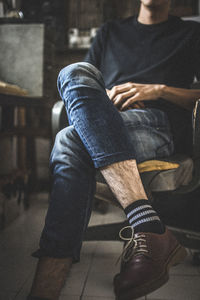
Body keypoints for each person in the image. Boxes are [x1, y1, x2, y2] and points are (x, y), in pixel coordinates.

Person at [27, 0, 200, 299]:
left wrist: (156, 90)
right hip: (108, 119)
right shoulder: (110, 31)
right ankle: (147, 224)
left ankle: (46, 288)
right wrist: (104, 100)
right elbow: (83, 86)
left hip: (158, 123)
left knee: (68, 140)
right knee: (74, 72)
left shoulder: (191, 33)